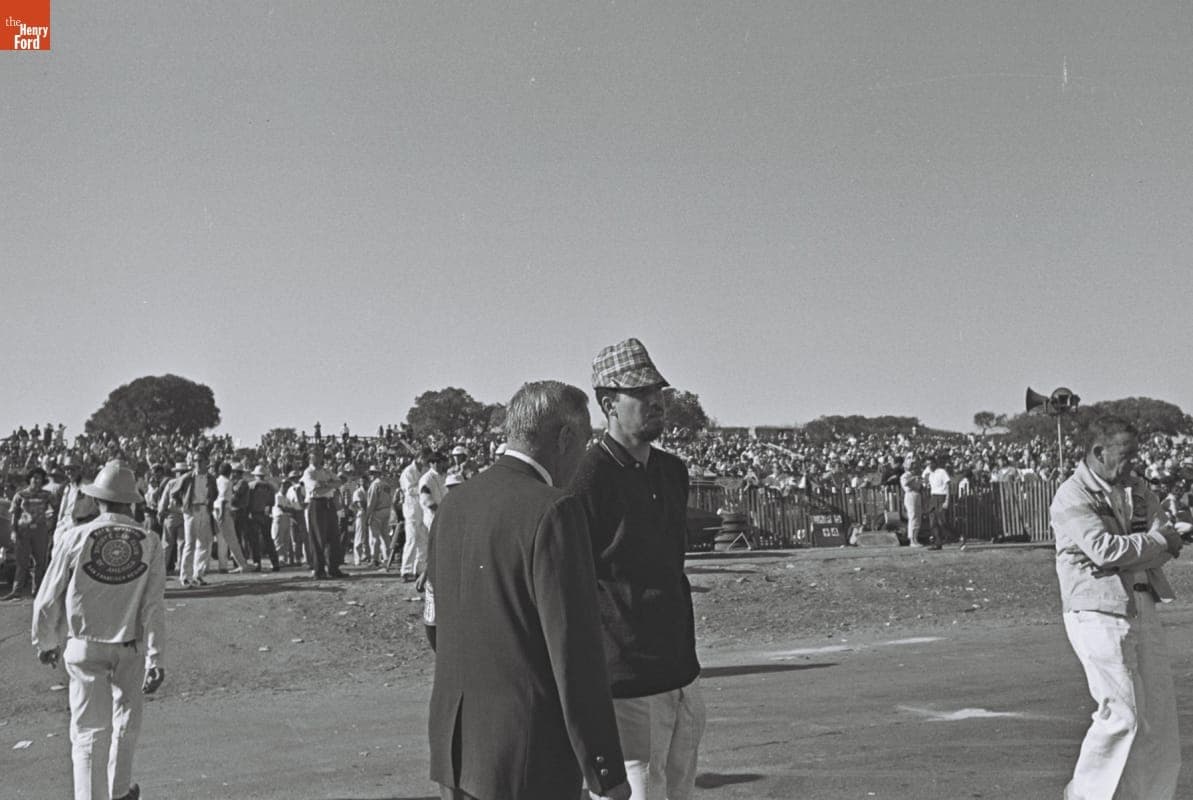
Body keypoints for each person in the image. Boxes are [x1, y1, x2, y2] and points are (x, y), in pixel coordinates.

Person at [426, 380, 629, 800]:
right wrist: (605, 770)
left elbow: (434, 624)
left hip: (455, 748)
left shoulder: (454, 505)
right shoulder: (554, 509)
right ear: (565, 438)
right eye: (585, 442)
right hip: (525, 755)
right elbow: (575, 654)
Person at [570, 338, 705, 800]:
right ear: (608, 404)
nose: (656, 401)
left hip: (681, 671)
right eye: (641, 393)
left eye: (658, 391)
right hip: (627, 681)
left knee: (681, 791)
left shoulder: (672, 471)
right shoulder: (587, 477)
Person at [1051, 415, 1183, 799]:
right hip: (1098, 611)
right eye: (1126, 455)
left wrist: (1150, 545)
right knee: (1122, 714)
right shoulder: (1072, 495)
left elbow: (1165, 538)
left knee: (1157, 718)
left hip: (1143, 603)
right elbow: (1105, 551)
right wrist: (1154, 544)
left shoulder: (1136, 489)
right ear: (1099, 452)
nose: (1133, 464)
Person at [31, 460, 165, 800]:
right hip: (130, 645)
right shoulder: (150, 541)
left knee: (89, 732)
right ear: (131, 502)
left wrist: (46, 641)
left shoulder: (75, 536)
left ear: (98, 499)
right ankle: (118, 791)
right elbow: (153, 606)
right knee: (125, 723)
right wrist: (156, 657)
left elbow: (47, 598)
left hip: (84, 643)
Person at [2, 466, 56, 600]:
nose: (36, 481)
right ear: (29, 479)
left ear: (43, 481)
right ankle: (16, 591)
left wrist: (50, 522)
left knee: (40, 562)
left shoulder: (47, 495)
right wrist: (13, 531)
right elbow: (14, 515)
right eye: (34, 478)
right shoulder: (20, 495)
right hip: (23, 530)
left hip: (40, 530)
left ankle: (37, 591)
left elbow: (56, 510)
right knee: (22, 562)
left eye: (40, 478)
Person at [301, 448, 344, 580]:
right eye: (316, 456)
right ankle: (319, 570)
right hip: (316, 503)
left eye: (320, 455)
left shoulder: (326, 470)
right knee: (318, 537)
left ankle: (333, 568)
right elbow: (316, 489)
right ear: (310, 458)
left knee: (333, 536)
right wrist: (330, 484)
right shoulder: (308, 472)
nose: (319, 458)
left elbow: (339, 482)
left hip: (329, 503)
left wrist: (325, 484)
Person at [399, 448, 432, 581]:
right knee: (412, 539)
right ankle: (406, 570)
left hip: (422, 508)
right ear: (419, 457)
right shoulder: (408, 471)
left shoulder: (425, 470)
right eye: (425, 458)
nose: (427, 461)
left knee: (423, 539)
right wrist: (423, 488)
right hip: (412, 509)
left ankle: (419, 570)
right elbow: (409, 490)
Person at [213, 462, 249, 574]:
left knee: (222, 540)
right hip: (223, 511)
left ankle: (223, 566)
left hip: (215, 510)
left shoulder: (216, 481)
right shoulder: (227, 482)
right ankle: (242, 564)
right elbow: (223, 499)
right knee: (232, 540)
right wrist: (222, 515)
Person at [362, 465, 392, 568]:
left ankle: (374, 559)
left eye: (371, 473)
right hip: (387, 510)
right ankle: (387, 558)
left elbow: (371, 502)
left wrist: (367, 517)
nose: (370, 475)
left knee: (374, 536)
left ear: (375, 474)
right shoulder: (386, 484)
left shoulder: (375, 485)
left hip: (377, 511)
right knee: (385, 536)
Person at [924, 456, 951, 550]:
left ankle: (958, 536)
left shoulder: (942, 472)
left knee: (942, 522)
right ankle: (938, 543)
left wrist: (947, 500)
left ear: (935, 463)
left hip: (941, 497)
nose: (929, 466)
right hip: (933, 498)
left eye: (930, 463)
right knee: (932, 522)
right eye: (927, 464)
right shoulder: (929, 474)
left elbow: (948, 486)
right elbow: (926, 485)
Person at [900, 456, 923, 547]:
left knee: (918, 517)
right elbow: (906, 484)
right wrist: (913, 478)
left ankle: (915, 538)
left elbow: (920, 486)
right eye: (912, 465)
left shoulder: (916, 475)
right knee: (913, 517)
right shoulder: (905, 476)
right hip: (910, 495)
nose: (914, 467)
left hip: (917, 494)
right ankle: (912, 540)